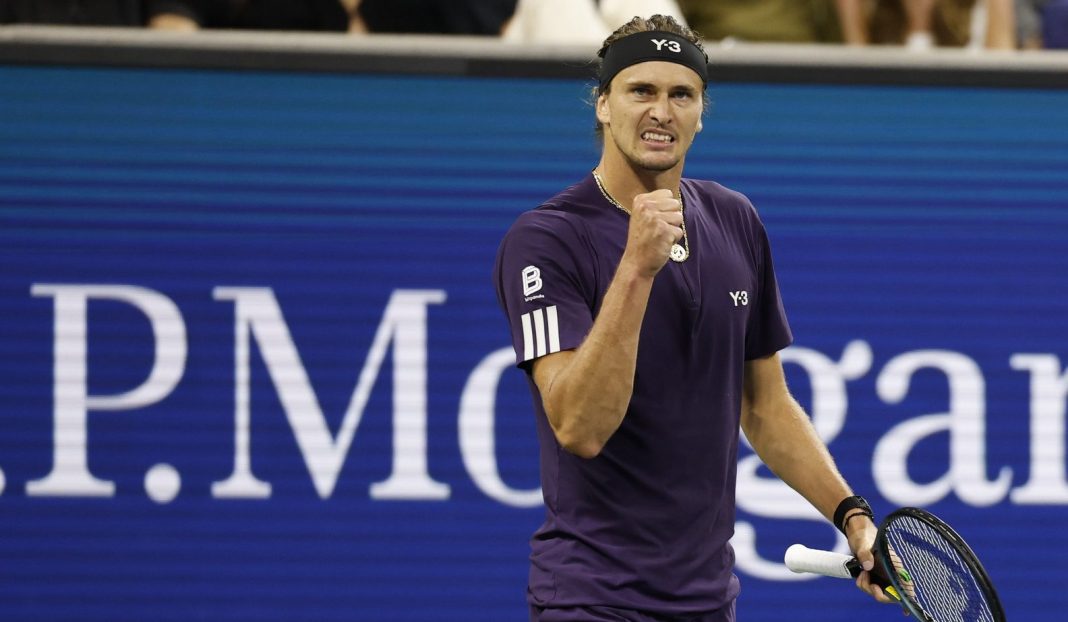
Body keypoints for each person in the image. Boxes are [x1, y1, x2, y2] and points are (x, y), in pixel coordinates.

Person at [493, 14, 892, 622]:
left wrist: (852, 516)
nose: (662, 111)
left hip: (708, 602)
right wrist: (636, 267)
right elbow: (579, 427)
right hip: (592, 600)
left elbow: (764, 406)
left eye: (682, 94)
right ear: (602, 105)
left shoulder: (735, 219)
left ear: (702, 112)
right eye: (641, 91)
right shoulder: (546, 240)